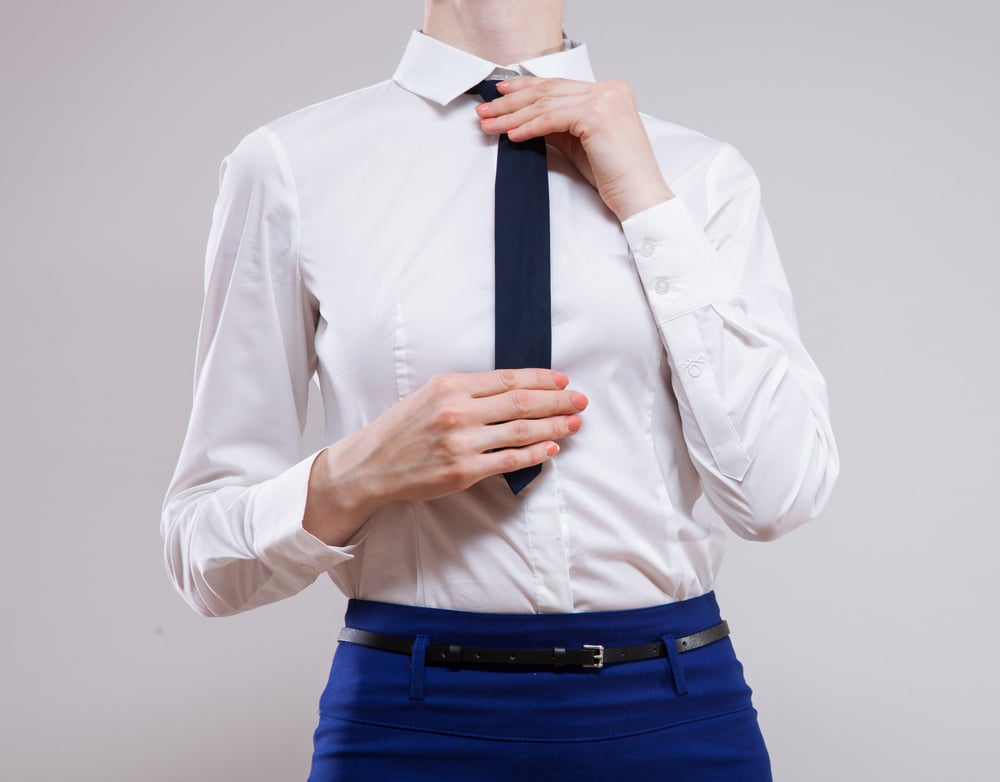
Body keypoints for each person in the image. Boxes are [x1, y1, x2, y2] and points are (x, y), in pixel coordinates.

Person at [162, 1, 839, 778]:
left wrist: (650, 203)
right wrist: (357, 472)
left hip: (672, 713)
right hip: (408, 722)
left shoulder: (698, 175)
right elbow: (204, 560)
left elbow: (778, 497)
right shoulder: (290, 165)